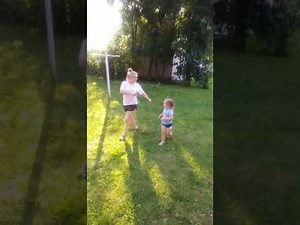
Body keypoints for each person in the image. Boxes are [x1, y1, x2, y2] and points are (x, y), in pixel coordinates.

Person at [119, 68, 152, 141]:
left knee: (126, 119)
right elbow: (121, 91)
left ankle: (123, 135)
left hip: (133, 104)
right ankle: (136, 127)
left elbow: (142, 92)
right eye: (135, 77)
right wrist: (131, 93)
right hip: (125, 104)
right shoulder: (124, 83)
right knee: (131, 118)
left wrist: (148, 98)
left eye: (137, 77)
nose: (136, 78)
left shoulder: (137, 85)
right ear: (129, 77)